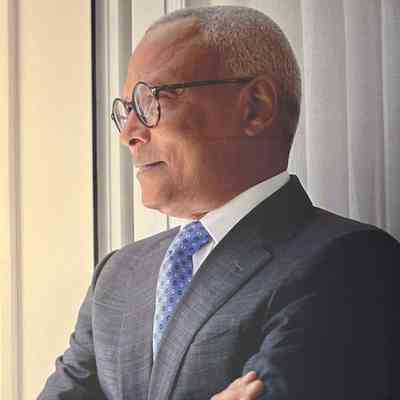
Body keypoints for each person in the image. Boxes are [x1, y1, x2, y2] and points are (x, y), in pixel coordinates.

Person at [38, 5, 400, 400]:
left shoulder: (349, 260)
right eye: (126, 110)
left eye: (152, 100)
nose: (128, 134)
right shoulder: (118, 276)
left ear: (256, 107)